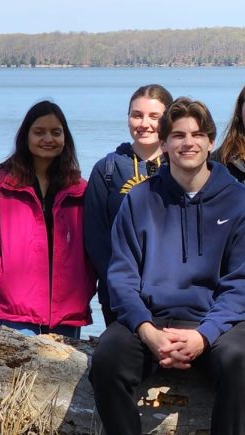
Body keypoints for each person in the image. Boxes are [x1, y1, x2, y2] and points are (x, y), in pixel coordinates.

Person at [88, 97, 245, 435]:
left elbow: (241, 285)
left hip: (213, 321)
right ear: (163, 144)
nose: (188, 143)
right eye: (178, 135)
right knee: (106, 359)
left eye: (196, 135)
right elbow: (120, 277)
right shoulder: (140, 200)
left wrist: (204, 336)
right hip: (151, 319)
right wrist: (147, 330)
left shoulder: (239, 202)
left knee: (240, 359)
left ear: (211, 140)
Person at [0, 100, 94, 337]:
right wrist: (1, 280)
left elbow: (94, 246)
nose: (48, 139)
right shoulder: (1, 184)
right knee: (20, 375)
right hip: (17, 310)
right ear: (26, 136)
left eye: (56, 132)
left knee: (65, 374)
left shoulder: (80, 190)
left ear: (66, 139)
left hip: (67, 310)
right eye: (39, 132)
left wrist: (85, 286)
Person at [84, 84, 173, 324]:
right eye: (137, 115)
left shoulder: (181, 166)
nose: (144, 124)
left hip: (174, 295)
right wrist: (120, 283)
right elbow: (95, 237)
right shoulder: (108, 170)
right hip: (119, 294)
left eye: (155, 116)